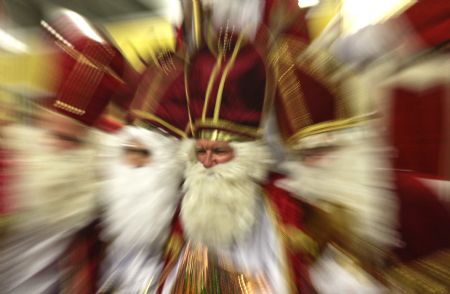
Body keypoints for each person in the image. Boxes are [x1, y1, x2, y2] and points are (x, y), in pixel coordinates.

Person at [0, 10, 132, 293]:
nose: (66, 144)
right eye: (60, 135)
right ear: (43, 115)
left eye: (77, 139)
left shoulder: (98, 167)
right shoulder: (11, 155)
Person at [98, 126, 183, 293]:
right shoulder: (105, 200)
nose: (135, 160)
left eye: (145, 153)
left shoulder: (176, 212)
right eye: (129, 151)